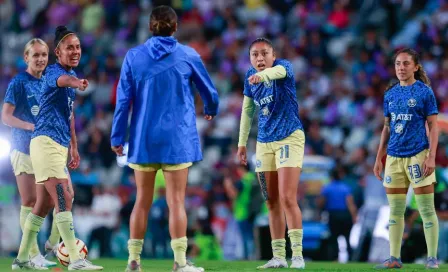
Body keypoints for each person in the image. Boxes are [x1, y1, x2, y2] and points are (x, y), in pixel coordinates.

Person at [110, 6, 219, 272]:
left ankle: (133, 261)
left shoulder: (133, 56)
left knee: (142, 201)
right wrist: (210, 109)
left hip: (143, 138)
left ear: (150, 27)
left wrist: (117, 136)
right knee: (176, 202)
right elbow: (210, 93)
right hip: (176, 140)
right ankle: (180, 263)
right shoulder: (188, 55)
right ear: (176, 27)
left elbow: (123, 101)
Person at [11, 26, 103, 270]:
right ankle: (75, 259)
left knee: (44, 204)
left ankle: (21, 259)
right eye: (69, 47)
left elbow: (69, 116)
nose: (75, 51)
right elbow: (65, 81)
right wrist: (78, 82)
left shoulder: (68, 79)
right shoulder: (54, 73)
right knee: (64, 196)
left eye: (78, 47)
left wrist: (73, 147)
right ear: (58, 51)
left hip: (58, 145)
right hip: (46, 143)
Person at [237, 37, 306, 269]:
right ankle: (278, 257)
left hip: (289, 137)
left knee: (287, 197)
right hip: (264, 143)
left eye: (264, 53)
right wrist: (241, 143)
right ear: (250, 58)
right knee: (271, 201)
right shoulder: (249, 78)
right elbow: (247, 112)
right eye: (255, 54)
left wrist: (262, 75)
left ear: (273, 55)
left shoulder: (283, 67)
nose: (260, 58)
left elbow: (275, 74)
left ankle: (297, 255)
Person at [373, 48, 439, 269]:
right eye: (398, 64)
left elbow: (433, 126)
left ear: (416, 66)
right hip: (393, 157)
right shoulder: (390, 94)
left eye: (406, 64)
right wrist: (378, 156)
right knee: (395, 211)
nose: (401, 68)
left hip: (418, 156)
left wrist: (431, 157)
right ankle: (394, 258)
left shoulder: (424, 92)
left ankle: (432, 259)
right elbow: (386, 127)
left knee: (426, 209)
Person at [2, 38, 59, 268]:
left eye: (44, 54)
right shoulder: (19, 82)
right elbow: (5, 116)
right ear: (26, 57)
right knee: (30, 200)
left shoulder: (49, 81)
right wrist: (29, 125)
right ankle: (32, 255)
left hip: (45, 149)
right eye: (35, 55)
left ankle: (42, 249)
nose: (40, 59)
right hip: (23, 147)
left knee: (54, 199)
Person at [317, 166, 357, 261]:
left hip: (333, 215)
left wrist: (320, 212)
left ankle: (335, 257)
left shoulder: (327, 188)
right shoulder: (345, 188)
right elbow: (350, 203)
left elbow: (321, 202)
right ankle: (350, 258)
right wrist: (354, 216)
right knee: (347, 237)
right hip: (345, 215)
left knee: (334, 238)